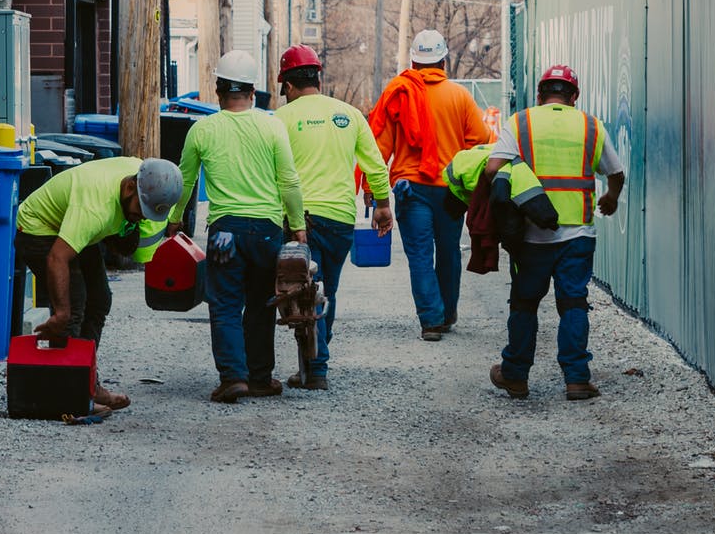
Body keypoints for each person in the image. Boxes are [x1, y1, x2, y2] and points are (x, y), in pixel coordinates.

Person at [484, 64, 625, 401]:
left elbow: (492, 169)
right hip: (578, 234)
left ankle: (515, 375)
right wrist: (611, 197)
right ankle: (577, 379)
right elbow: (616, 172)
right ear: (574, 96)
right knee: (574, 303)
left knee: (524, 304)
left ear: (540, 94)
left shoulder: (521, 122)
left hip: (531, 236)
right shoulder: (590, 125)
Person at [176, 49, 307, 403]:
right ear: (252, 92)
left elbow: (184, 182)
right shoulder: (272, 125)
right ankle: (261, 378)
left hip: (224, 232)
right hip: (266, 230)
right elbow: (289, 181)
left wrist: (174, 220)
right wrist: (297, 226)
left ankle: (233, 377)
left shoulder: (201, 130)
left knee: (224, 306)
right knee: (263, 303)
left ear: (218, 91)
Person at [17, 156, 184, 410]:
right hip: (38, 228)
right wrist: (60, 313)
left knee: (100, 300)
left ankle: (87, 383)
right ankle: (66, 394)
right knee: (73, 308)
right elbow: (56, 257)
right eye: (141, 210)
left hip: (72, 223)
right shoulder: (95, 209)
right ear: (130, 188)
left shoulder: (143, 175)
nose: (141, 218)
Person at [273, 44, 393, 390]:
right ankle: (313, 363)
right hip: (340, 219)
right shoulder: (350, 115)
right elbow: (375, 165)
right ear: (318, 79)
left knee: (302, 292)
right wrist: (382, 206)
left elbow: (271, 173)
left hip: (298, 221)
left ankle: (316, 367)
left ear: (289, 86)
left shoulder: (281, 119)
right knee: (326, 289)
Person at [368, 29, 493, 341]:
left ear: (413, 61)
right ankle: (447, 313)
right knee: (449, 250)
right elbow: (481, 142)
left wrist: (373, 190)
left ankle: (431, 320)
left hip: (411, 189)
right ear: (444, 61)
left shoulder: (400, 93)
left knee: (420, 255)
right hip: (450, 188)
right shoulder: (460, 97)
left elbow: (379, 147)